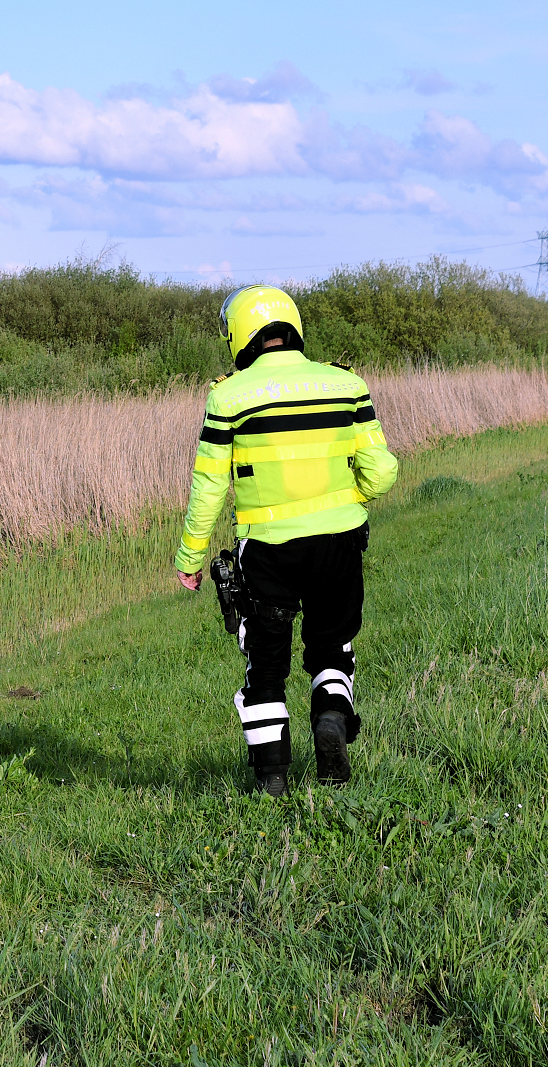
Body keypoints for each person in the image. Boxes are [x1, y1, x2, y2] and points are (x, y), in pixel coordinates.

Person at [175, 285, 399, 796]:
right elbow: (382, 472)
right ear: (292, 325)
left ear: (240, 334)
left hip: (268, 549)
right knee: (331, 646)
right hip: (339, 542)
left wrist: (189, 557)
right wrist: (350, 495)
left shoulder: (227, 395)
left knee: (266, 663)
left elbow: (209, 488)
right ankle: (332, 724)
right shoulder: (346, 384)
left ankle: (272, 778)